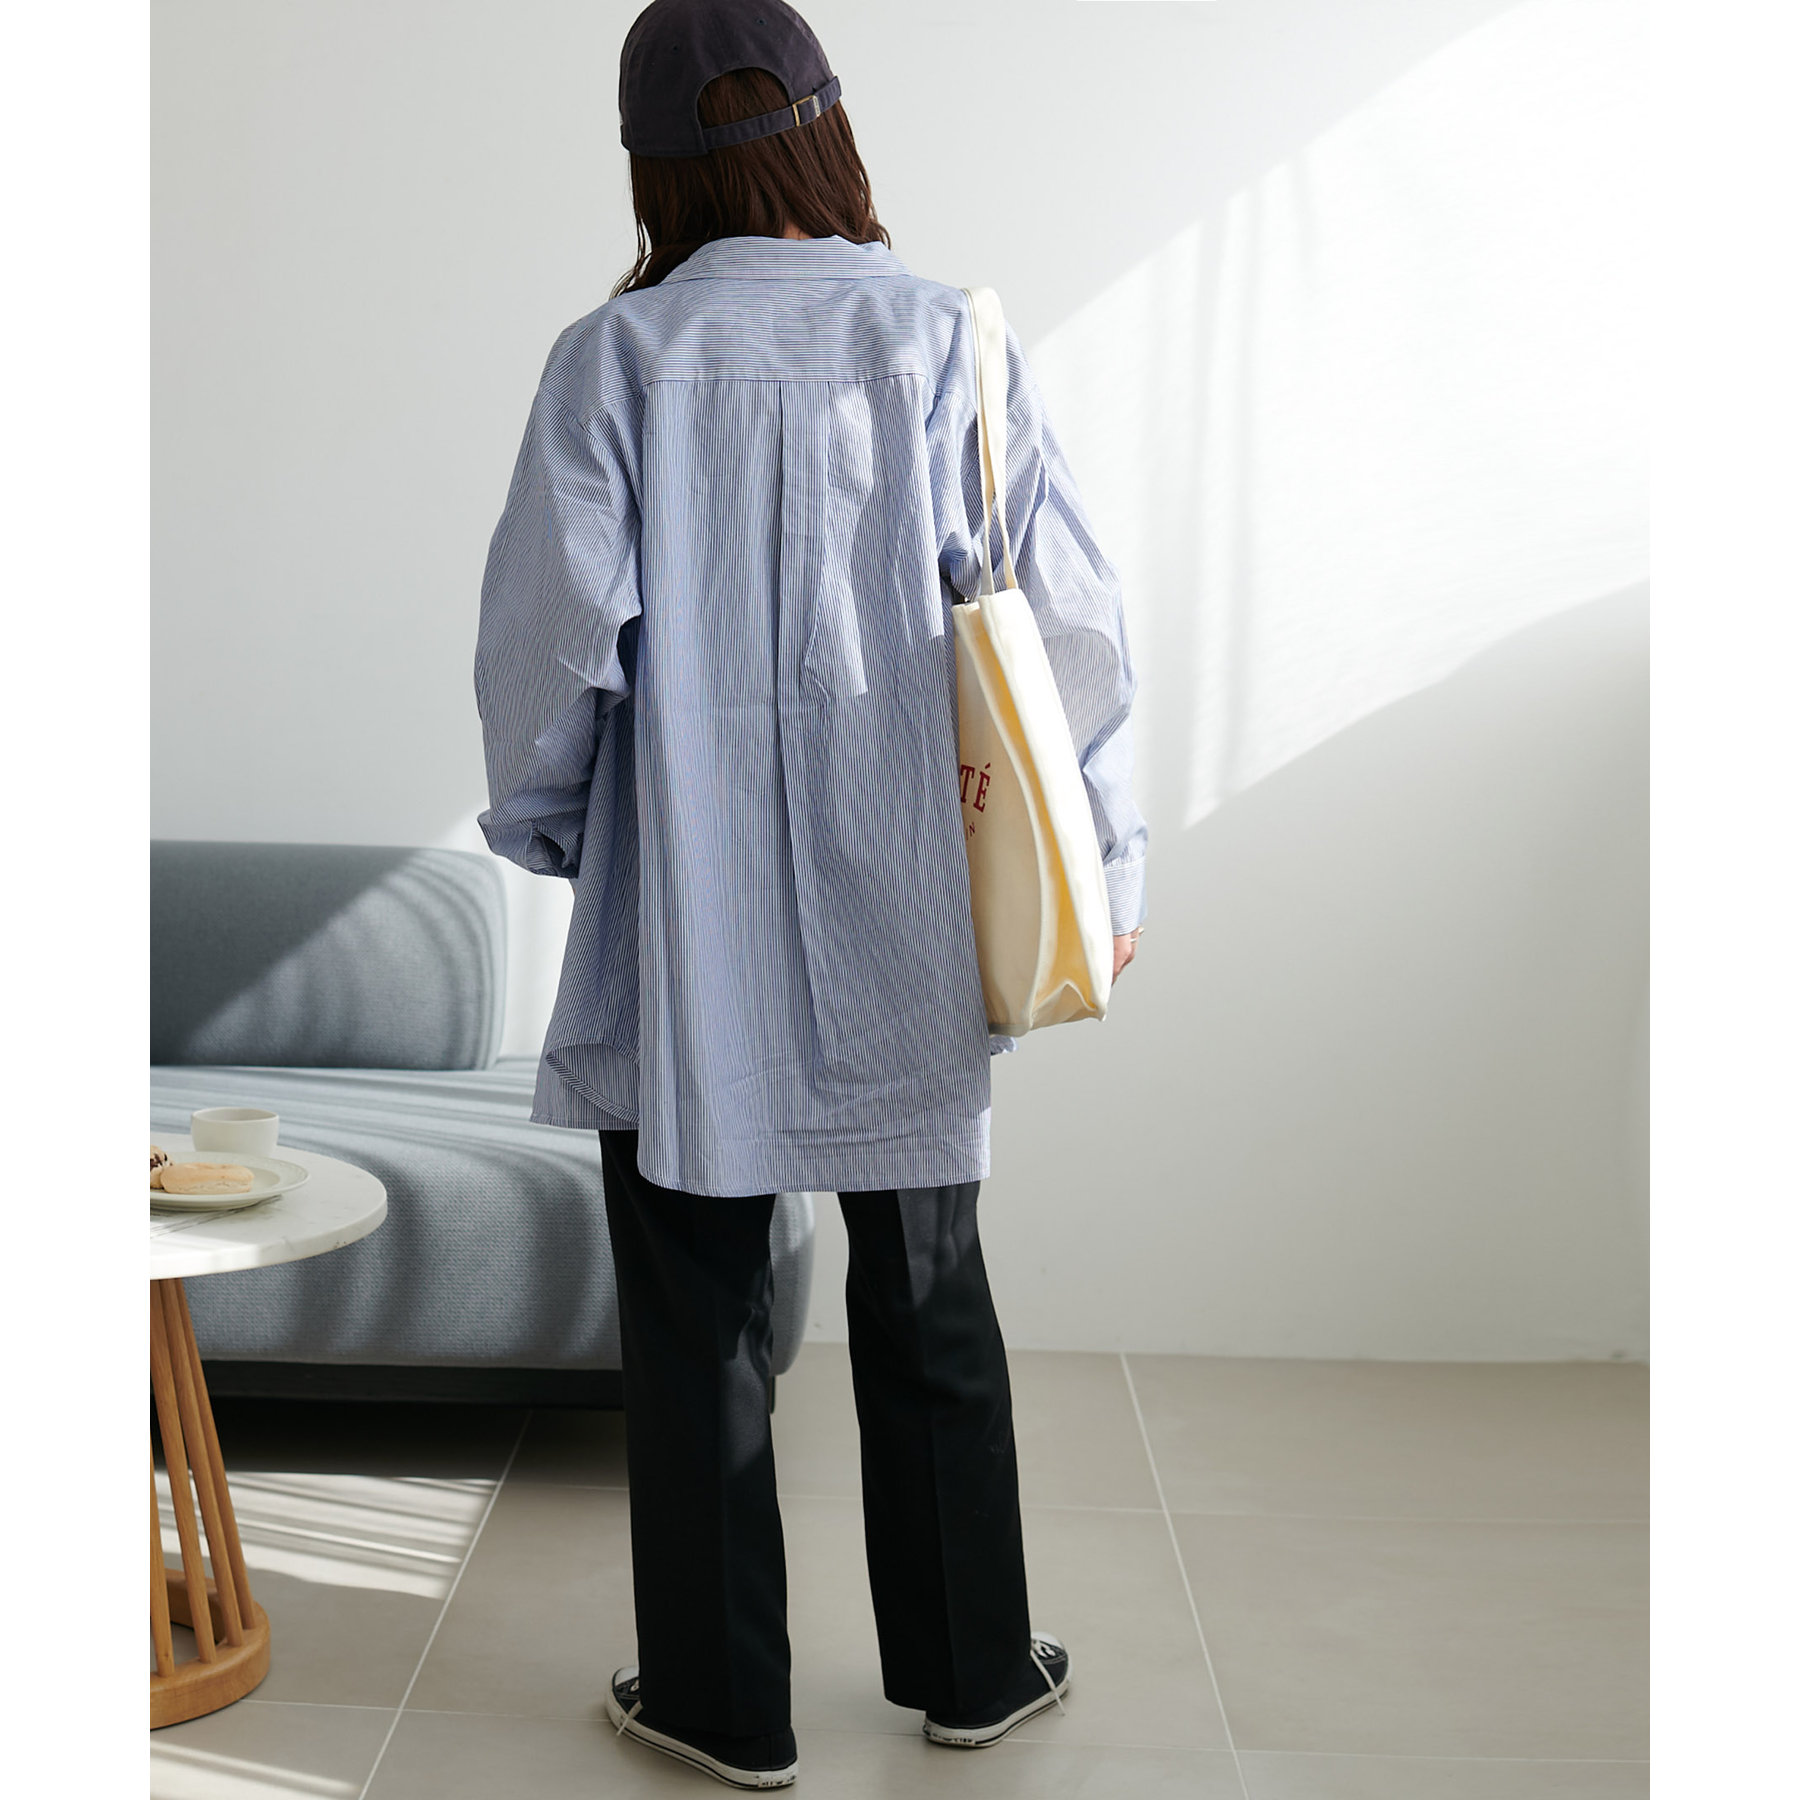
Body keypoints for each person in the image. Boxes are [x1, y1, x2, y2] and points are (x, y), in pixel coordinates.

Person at [474, 0, 1147, 1787]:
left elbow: (549, 649)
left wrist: (554, 827)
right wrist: (1110, 856)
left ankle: (721, 1703)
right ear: (828, 131)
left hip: (686, 899)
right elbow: (1067, 637)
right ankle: (973, 1667)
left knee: (694, 1299)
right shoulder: (947, 337)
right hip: (913, 889)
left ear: (654, 168)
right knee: (927, 1283)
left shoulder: (612, 361)